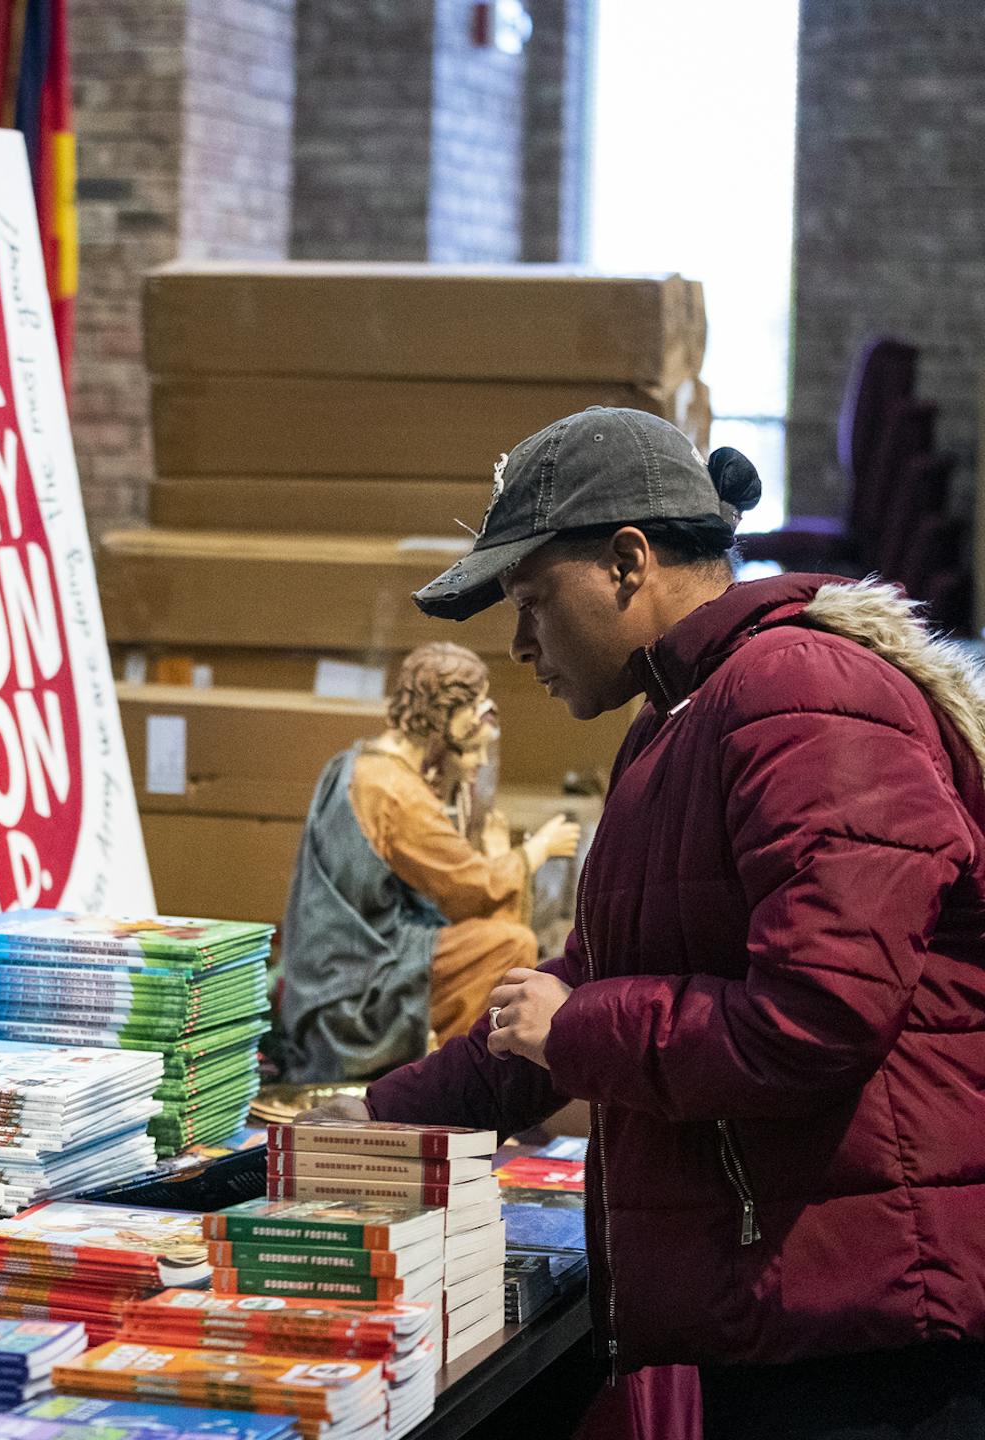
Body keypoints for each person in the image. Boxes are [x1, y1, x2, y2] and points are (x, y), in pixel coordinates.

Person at [309, 406, 985, 1438]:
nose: (521, 643)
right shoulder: (683, 718)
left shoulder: (799, 693)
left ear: (628, 562)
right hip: (791, 1308)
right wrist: (379, 1113)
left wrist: (575, 1031)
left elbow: (818, 1016)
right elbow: (581, 981)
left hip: (873, 1346)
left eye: (534, 599)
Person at [279, 641, 582, 1081]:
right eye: (471, 720)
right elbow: (468, 886)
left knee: (490, 937)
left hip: (349, 960)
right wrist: (533, 852)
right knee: (506, 944)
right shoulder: (393, 789)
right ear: (451, 715)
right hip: (353, 984)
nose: (475, 757)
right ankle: (460, 1080)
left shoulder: (358, 763)